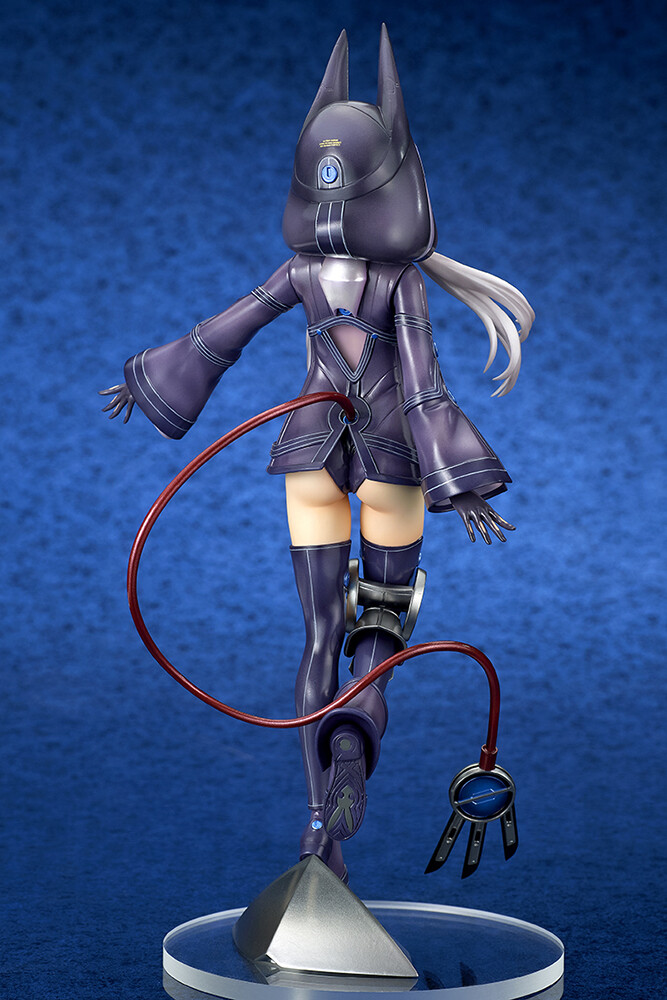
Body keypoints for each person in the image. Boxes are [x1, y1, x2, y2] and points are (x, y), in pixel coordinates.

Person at [101, 26, 533, 883]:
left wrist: (150, 379)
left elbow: (222, 332)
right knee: (381, 623)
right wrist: (460, 480)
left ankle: (317, 833)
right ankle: (357, 730)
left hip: (307, 457)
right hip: (387, 461)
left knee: (317, 636)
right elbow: (421, 389)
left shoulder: (299, 273)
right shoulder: (400, 281)